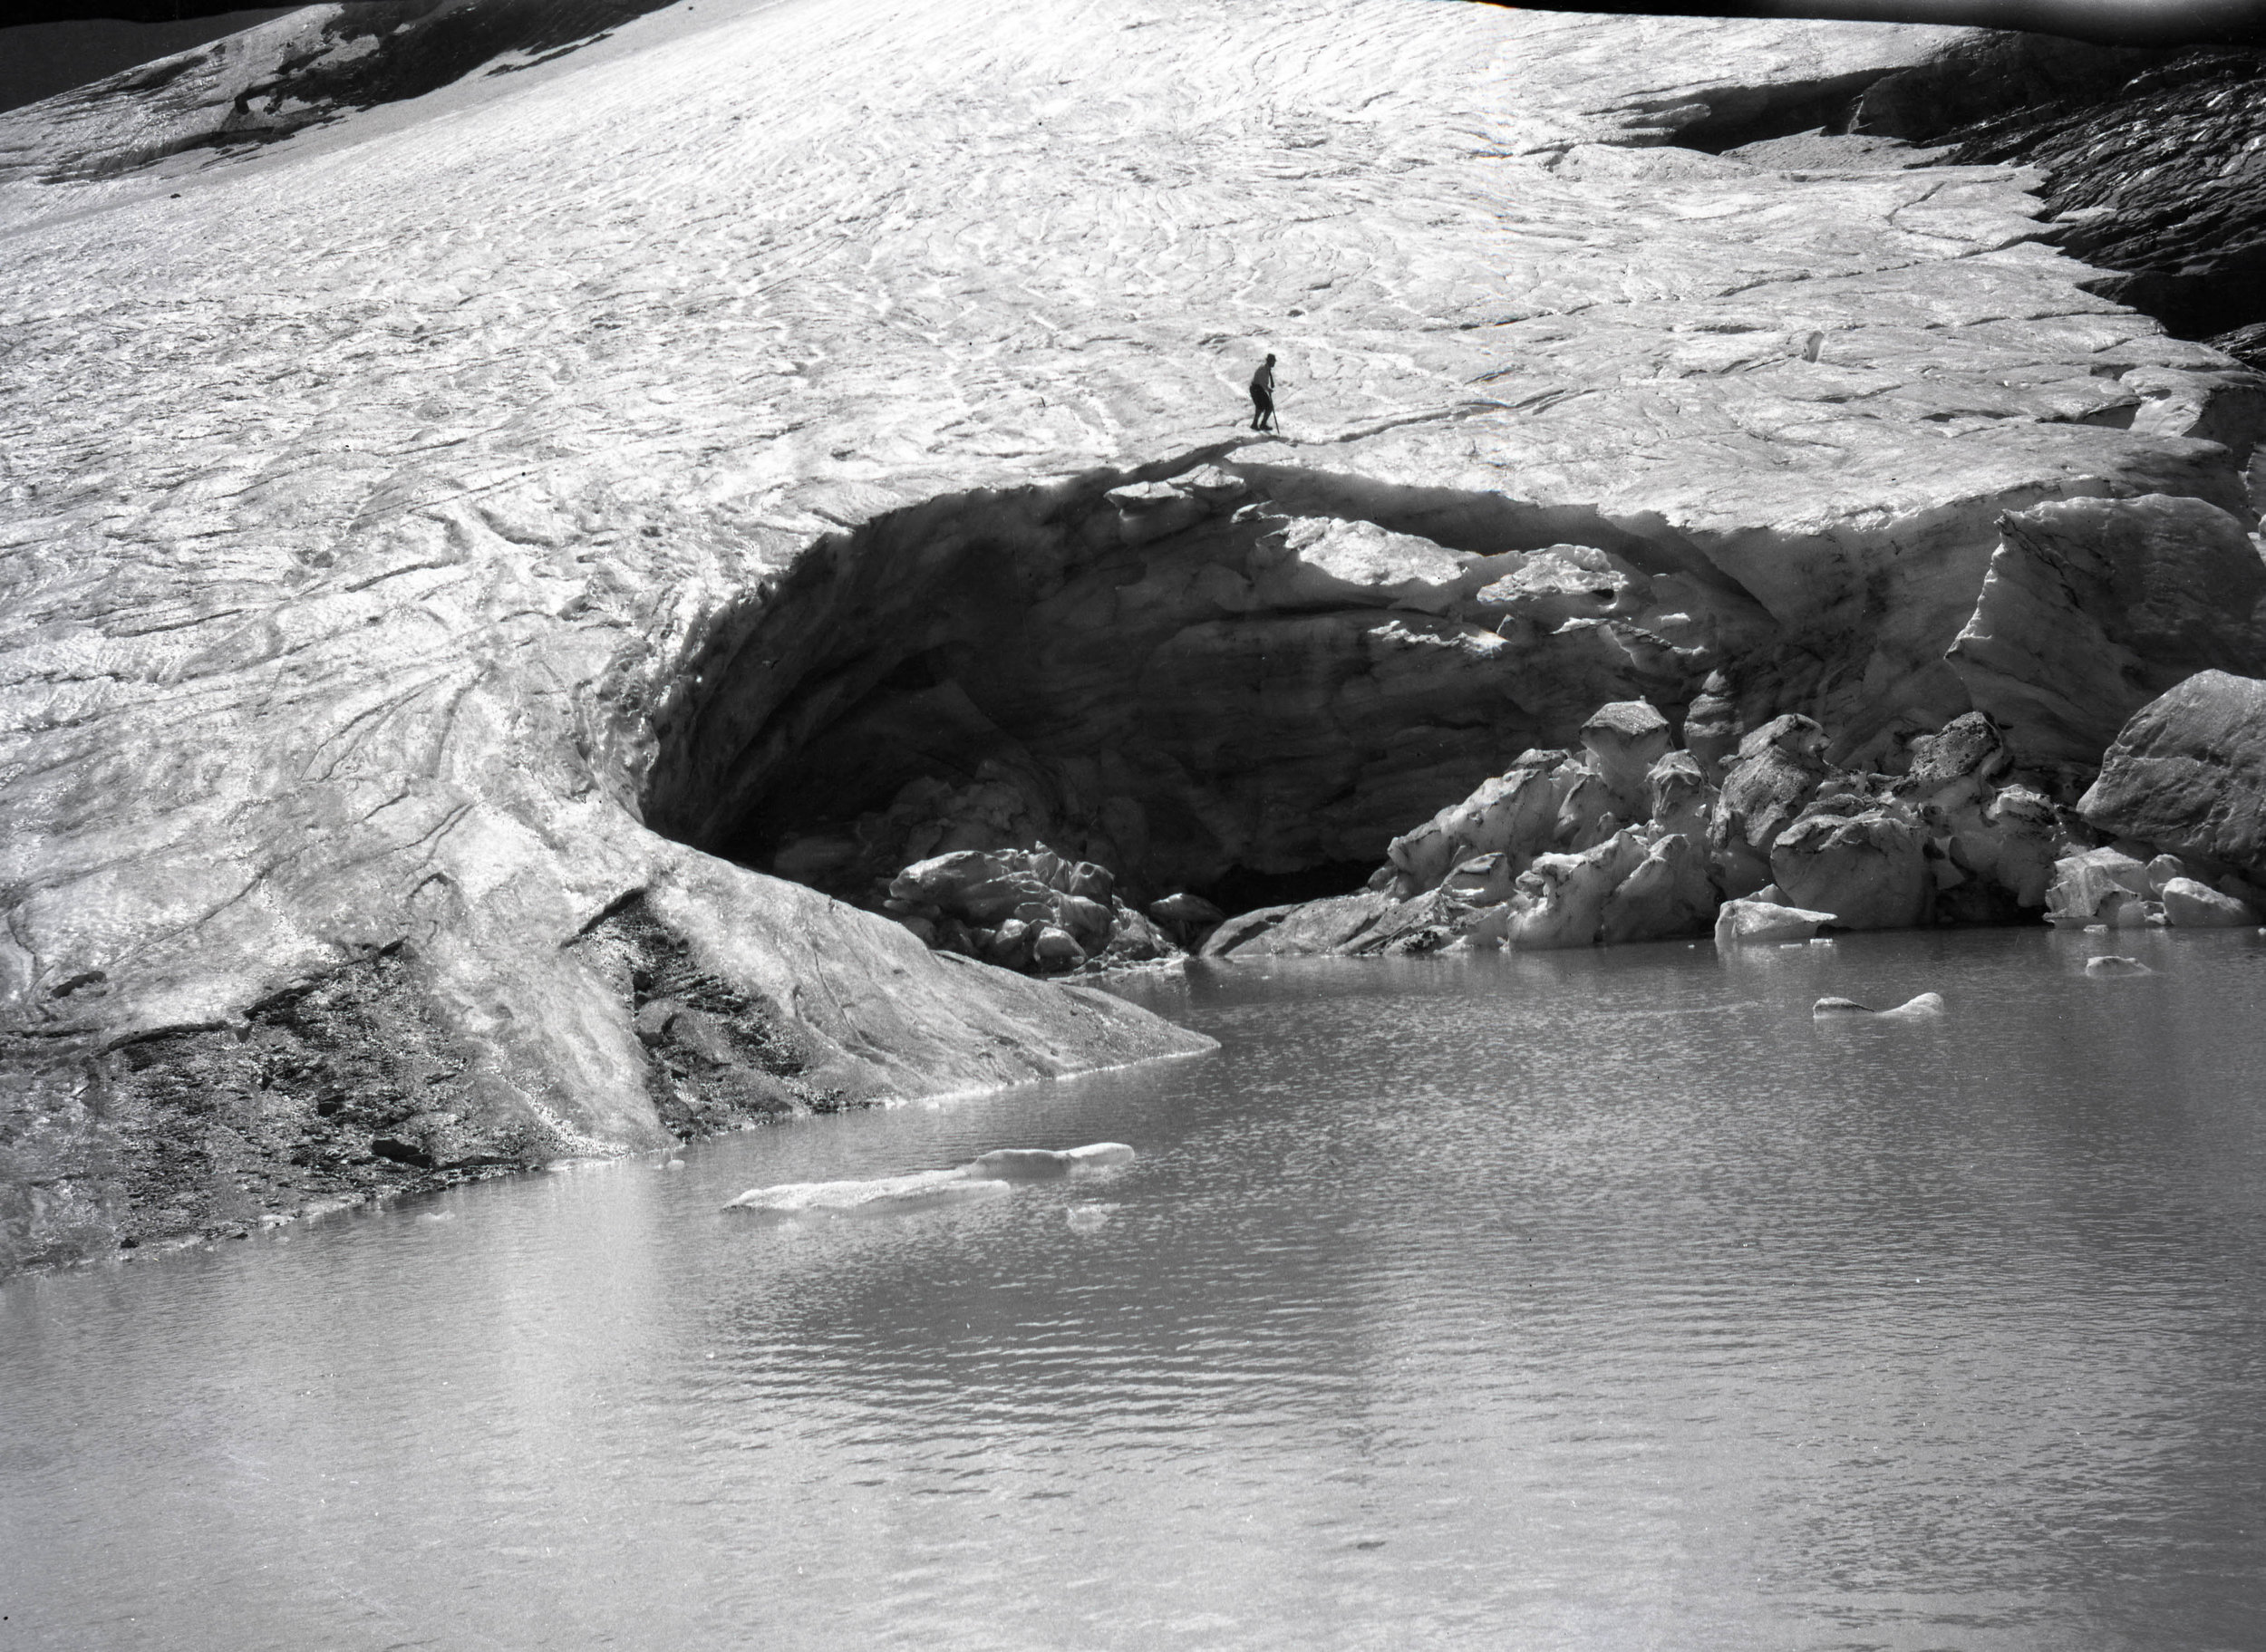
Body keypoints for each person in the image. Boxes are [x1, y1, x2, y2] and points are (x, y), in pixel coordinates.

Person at [1248, 353, 1277, 432]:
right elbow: (1261, 382)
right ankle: (1256, 424)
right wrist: (1268, 389)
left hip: (1259, 389)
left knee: (1269, 407)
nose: (1274, 363)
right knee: (1261, 407)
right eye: (1273, 361)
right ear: (1269, 361)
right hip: (1256, 389)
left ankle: (1261, 424)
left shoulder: (1267, 369)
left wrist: (1267, 389)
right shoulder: (1263, 370)